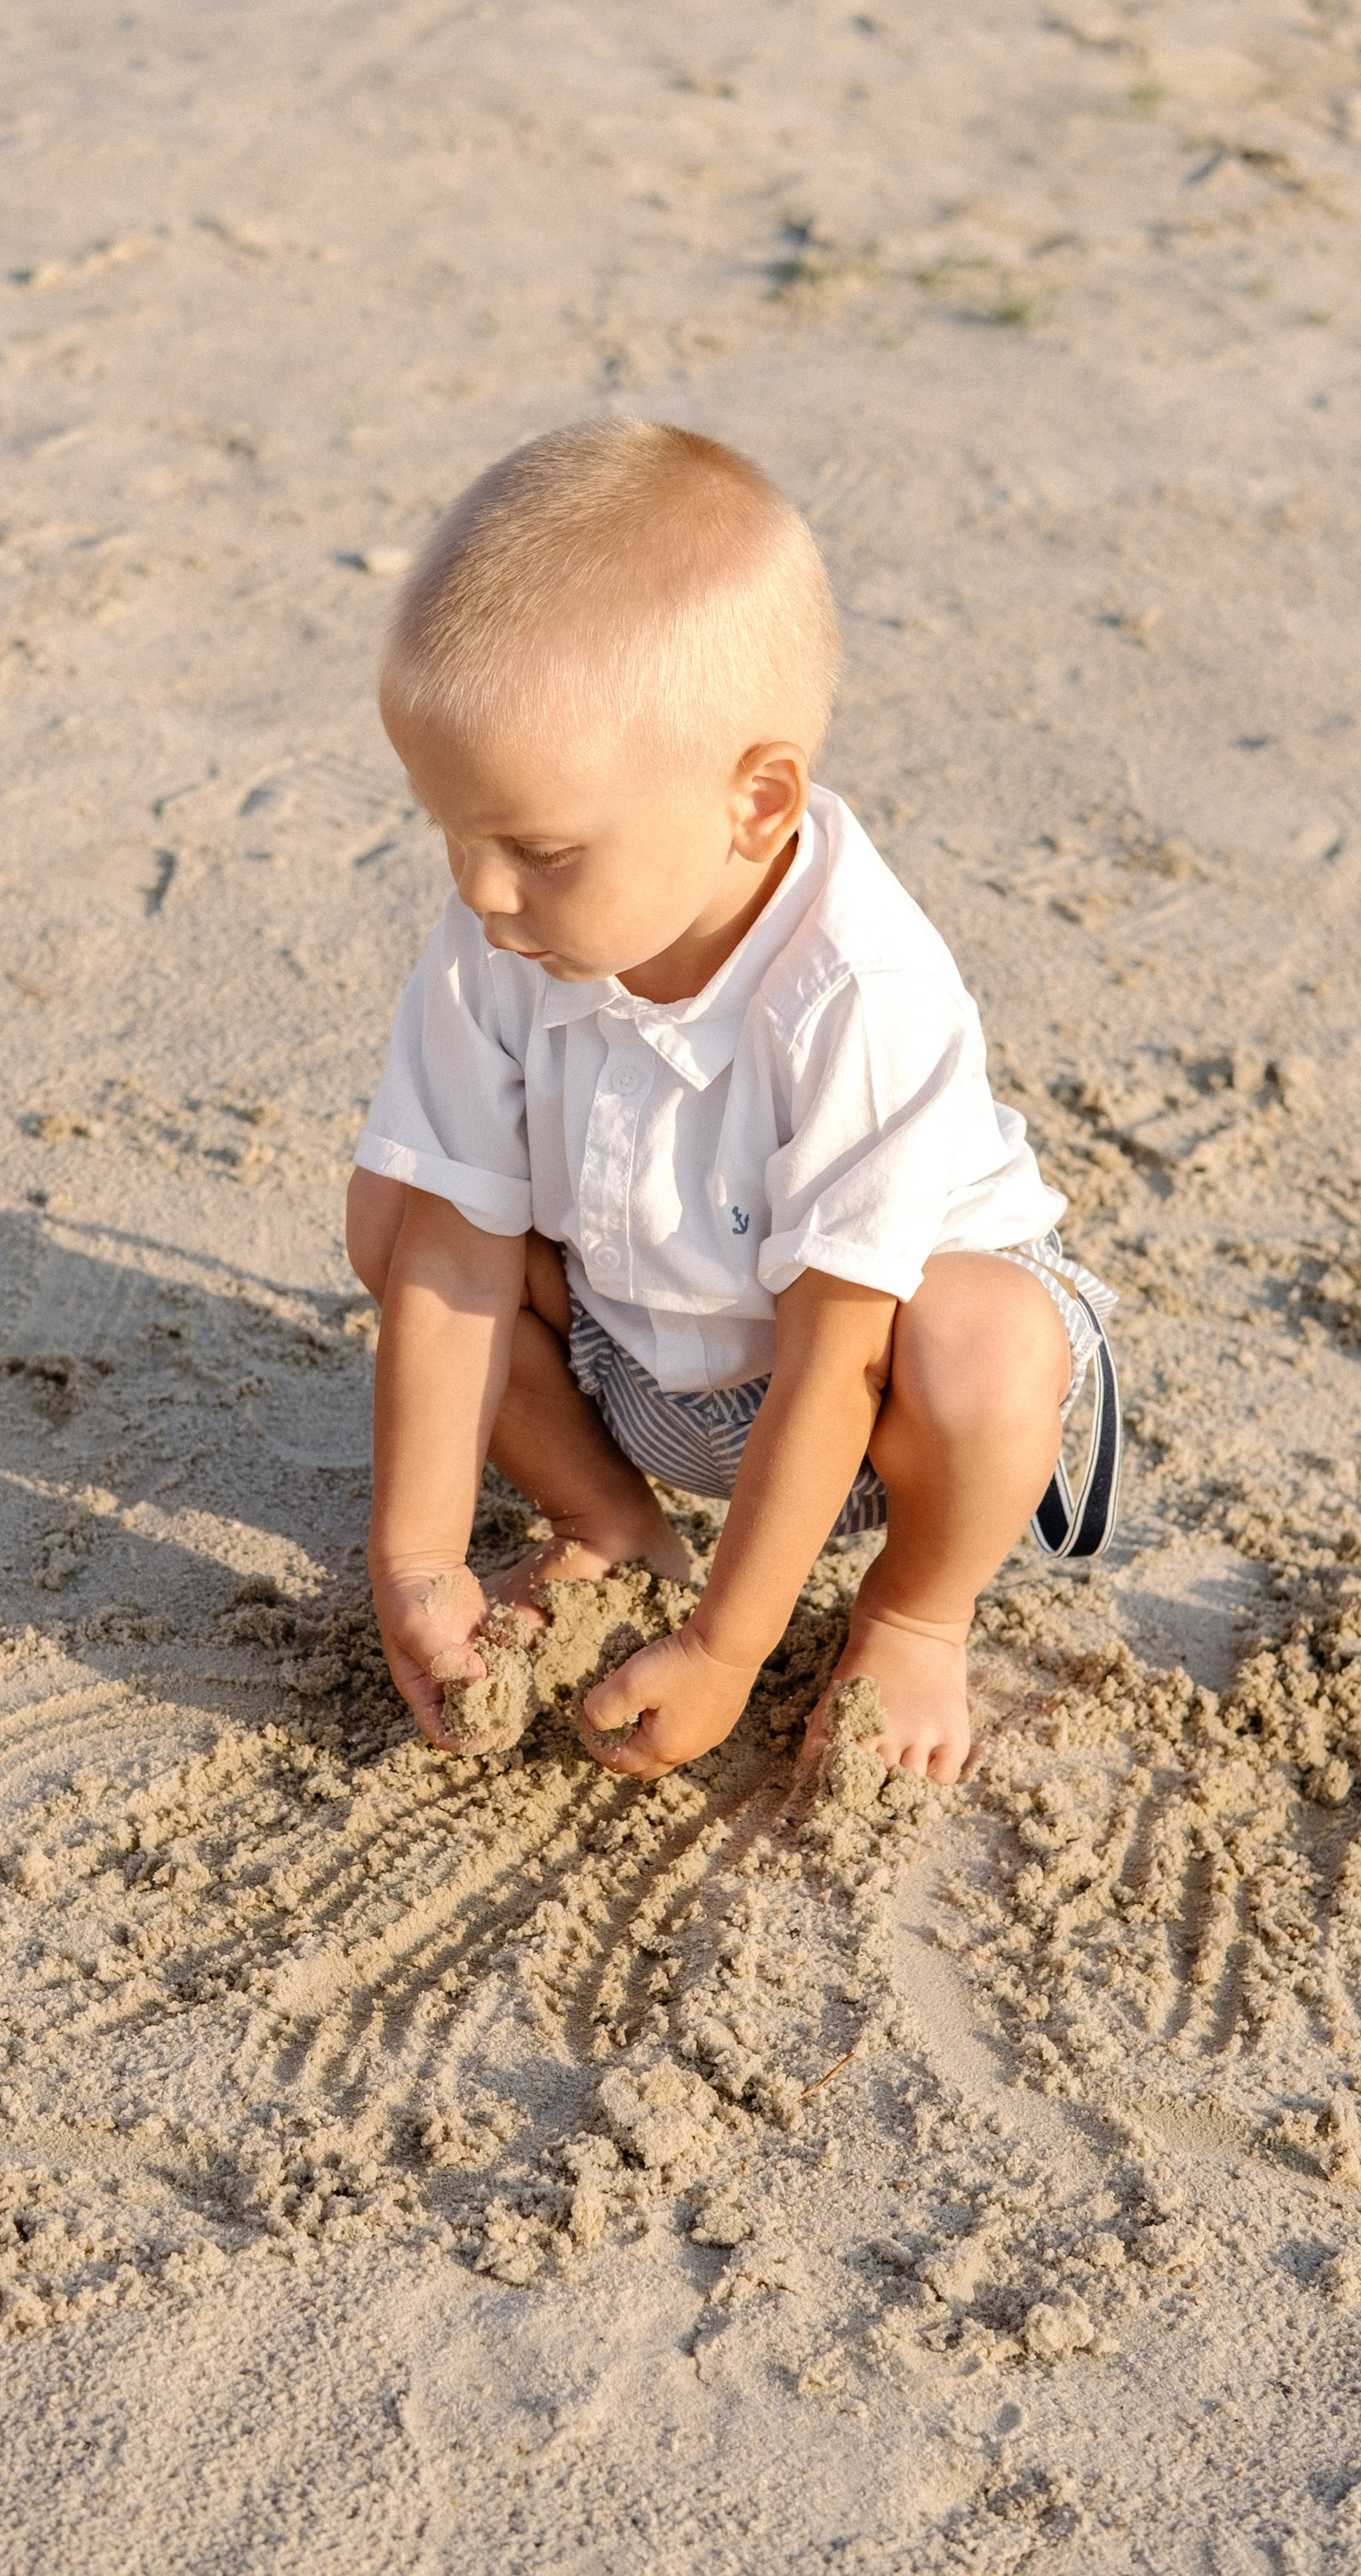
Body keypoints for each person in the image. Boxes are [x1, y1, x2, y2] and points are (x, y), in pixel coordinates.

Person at [344, 417, 1115, 1787]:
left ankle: (914, 1616)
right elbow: (457, 1250)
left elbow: (838, 1358)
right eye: (448, 830)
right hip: (640, 1351)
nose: (477, 889)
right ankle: (612, 1519)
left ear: (755, 804)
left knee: (988, 1342)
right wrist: (415, 1557)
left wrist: (727, 1649)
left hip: (876, 1402)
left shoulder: (857, 991)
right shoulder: (502, 933)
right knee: (397, 1212)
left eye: (538, 848)